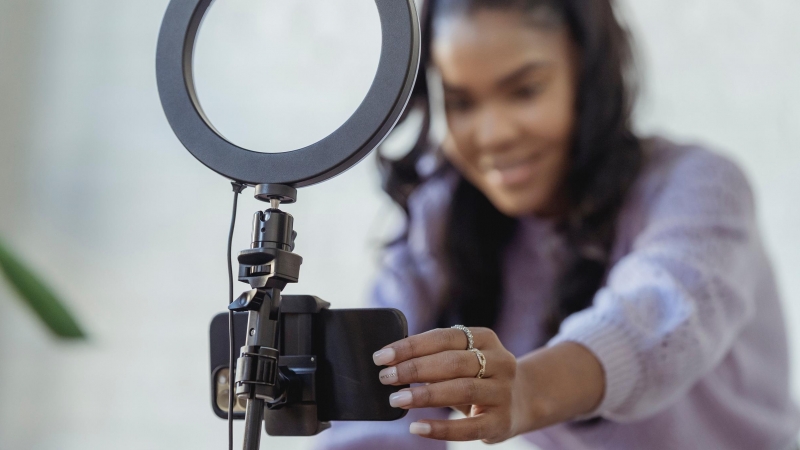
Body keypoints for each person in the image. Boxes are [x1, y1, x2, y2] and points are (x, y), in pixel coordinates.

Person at [315, 0, 800, 448]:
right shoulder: (441, 215)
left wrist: (527, 389)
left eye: (525, 90)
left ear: (587, 77)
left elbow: (657, 317)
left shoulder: (699, 186)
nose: (494, 135)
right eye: (462, 103)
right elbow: (375, 417)